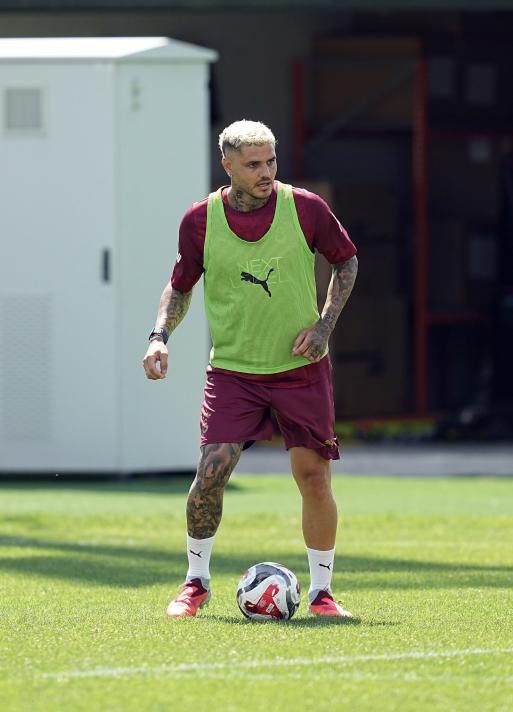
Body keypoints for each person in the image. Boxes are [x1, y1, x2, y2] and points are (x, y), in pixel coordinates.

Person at [143, 120, 358, 618]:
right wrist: (158, 337)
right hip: (234, 371)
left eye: (271, 161)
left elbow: (346, 262)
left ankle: (322, 594)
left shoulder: (306, 208)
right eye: (254, 164)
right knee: (211, 471)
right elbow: (180, 285)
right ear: (228, 166)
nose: (266, 172)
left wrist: (324, 327)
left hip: (300, 368)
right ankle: (195, 583)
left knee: (313, 477)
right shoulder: (200, 220)